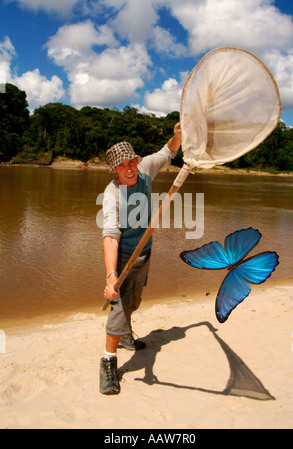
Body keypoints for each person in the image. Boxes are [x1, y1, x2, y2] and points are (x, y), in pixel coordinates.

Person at [100, 123, 182, 394]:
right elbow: (110, 235)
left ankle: (124, 336)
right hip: (124, 256)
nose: (130, 168)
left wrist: (179, 134)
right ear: (115, 170)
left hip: (145, 253)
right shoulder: (112, 195)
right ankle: (108, 362)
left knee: (134, 301)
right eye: (122, 165)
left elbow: (168, 151)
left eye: (131, 162)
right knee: (119, 308)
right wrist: (111, 275)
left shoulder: (145, 168)